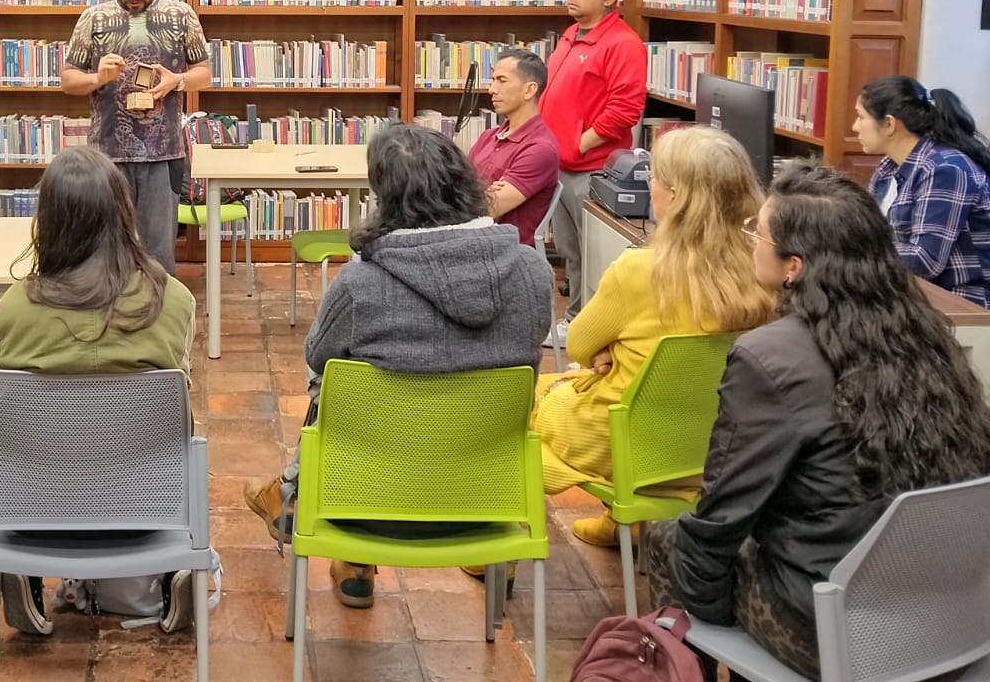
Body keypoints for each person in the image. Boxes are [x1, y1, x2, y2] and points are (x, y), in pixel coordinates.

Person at [644, 162, 990, 677]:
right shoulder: (929, 338)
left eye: (755, 233)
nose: (749, 242)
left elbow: (720, 519)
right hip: (954, 617)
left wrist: (716, 621)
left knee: (669, 539)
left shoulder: (768, 358)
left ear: (794, 267)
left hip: (841, 628)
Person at [244, 123, 552, 609]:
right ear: (465, 183)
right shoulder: (534, 273)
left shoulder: (359, 284)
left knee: (330, 377)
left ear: (384, 197)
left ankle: (306, 506)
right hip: (485, 502)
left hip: (362, 505)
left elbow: (317, 355)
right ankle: (497, 557)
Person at [0, 145, 199, 637]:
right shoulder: (173, 301)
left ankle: (26, 571)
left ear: (48, 222)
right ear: (125, 214)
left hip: (33, 511)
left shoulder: (12, 310)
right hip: (146, 510)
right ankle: (169, 572)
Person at [532, 126, 777, 546]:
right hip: (720, 447)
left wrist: (607, 348)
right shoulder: (766, 275)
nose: (649, 184)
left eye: (655, 177)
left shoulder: (639, 272)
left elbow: (578, 345)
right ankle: (620, 523)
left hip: (621, 444)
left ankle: (503, 548)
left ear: (678, 195)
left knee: (528, 399)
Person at [61, 0, 211, 277]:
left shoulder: (180, 15)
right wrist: (97, 78)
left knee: (159, 253)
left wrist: (178, 81)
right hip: (107, 156)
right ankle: (111, 321)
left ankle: (159, 322)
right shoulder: (94, 19)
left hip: (163, 154)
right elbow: (69, 80)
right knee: (105, 249)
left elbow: (204, 73)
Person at [539, 0, 647, 342]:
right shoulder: (572, 34)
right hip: (561, 164)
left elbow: (625, 109)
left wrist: (579, 143)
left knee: (593, 253)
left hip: (590, 167)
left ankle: (589, 327)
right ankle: (575, 319)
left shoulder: (622, 44)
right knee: (571, 250)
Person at [853, 74, 990, 307]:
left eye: (860, 117)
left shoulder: (946, 169)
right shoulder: (889, 166)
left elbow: (926, 260)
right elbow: (867, 231)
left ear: (889, 124)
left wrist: (853, 251)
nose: (854, 127)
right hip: (909, 295)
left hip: (961, 303)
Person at [469, 47, 560, 248]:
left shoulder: (540, 149)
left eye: (502, 81)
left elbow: (485, 208)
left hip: (504, 254)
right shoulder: (489, 136)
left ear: (529, 90)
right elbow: (457, 185)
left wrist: (476, 194)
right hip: (473, 242)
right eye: (493, 80)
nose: (492, 89)